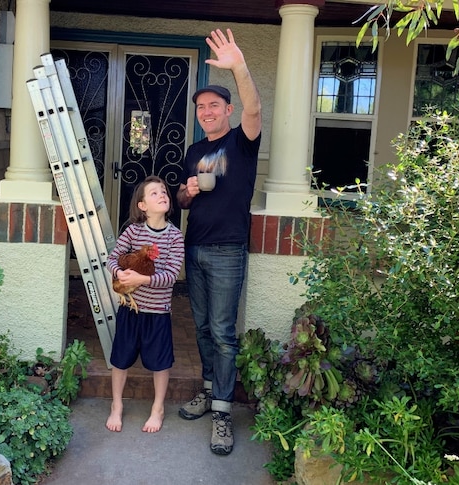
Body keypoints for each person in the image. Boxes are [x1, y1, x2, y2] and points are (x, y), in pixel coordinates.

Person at [176, 28, 262, 455]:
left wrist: (238, 67)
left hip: (228, 249)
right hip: (195, 248)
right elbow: (181, 196)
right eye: (201, 108)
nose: (207, 112)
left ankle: (223, 412)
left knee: (225, 333)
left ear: (227, 109)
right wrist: (187, 194)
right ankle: (209, 391)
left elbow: (256, 108)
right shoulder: (194, 151)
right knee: (205, 329)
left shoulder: (242, 142)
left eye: (213, 105)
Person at [105, 175, 184, 433]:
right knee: (120, 359)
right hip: (131, 309)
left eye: (164, 192)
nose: (162, 195)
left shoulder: (174, 236)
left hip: (158, 312)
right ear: (142, 206)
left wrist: (142, 278)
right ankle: (116, 404)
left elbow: (171, 276)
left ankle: (157, 408)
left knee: (160, 363)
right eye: (154, 193)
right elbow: (113, 258)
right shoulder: (133, 231)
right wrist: (119, 273)